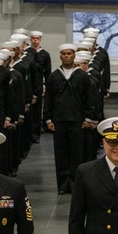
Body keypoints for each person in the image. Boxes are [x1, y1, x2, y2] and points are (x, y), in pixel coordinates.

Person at [45, 44, 96, 194]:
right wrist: (48, 119)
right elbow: (48, 99)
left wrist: (88, 117)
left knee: (76, 154)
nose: (67, 56)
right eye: (64, 54)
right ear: (60, 56)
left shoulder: (82, 76)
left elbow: (89, 98)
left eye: (69, 53)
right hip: (59, 121)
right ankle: (62, 185)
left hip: (77, 121)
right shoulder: (54, 76)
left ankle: (75, 184)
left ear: (74, 56)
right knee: (60, 154)